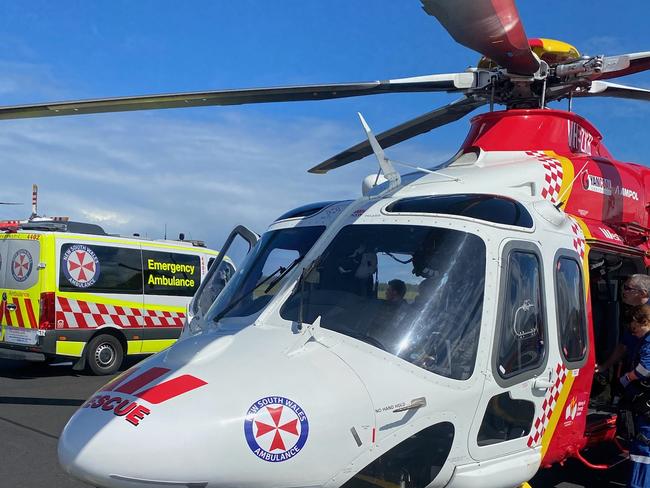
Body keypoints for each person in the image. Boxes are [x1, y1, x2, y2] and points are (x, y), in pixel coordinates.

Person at [618, 304, 650, 487]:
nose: (633, 332)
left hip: (645, 403)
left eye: (634, 328)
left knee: (642, 447)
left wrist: (627, 378)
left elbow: (645, 368)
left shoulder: (648, 341)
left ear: (643, 322)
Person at [596, 274, 650, 374]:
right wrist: (604, 367)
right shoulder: (635, 312)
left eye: (627, 288)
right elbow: (623, 345)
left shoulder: (646, 316)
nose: (622, 291)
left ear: (642, 293)